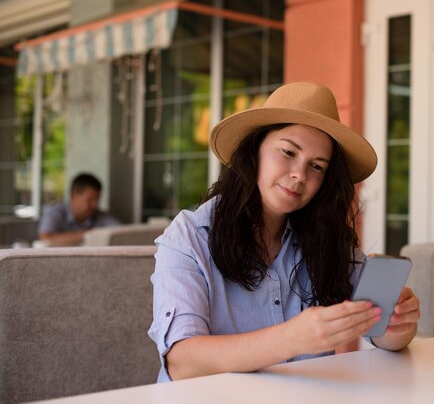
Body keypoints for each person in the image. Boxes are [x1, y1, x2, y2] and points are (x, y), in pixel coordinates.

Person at [148, 82, 420, 382]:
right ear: (255, 151)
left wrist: (399, 324)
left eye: (316, 166)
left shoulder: (326, 238)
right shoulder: (189, 237)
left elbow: (383, 336)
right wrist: (292, 338)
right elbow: (182, 363)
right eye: (288, 151)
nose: (299, 175)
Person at [38, 173, 121, 246]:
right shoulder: (55, 212)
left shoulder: (102, 216)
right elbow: (45, 239)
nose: (95, 205)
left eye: (97, 199)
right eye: (90, 199)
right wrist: (91, 235)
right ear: (74, 196)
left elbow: (121, 234)